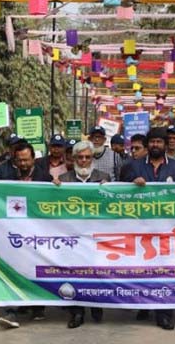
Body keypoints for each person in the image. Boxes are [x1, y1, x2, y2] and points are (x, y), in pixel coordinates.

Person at [123, 127, 175, 330]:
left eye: (159, 141)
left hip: (167, 228)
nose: (155, 145)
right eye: (152, 141)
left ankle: (164, 313)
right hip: (140, 227)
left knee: (165, 270)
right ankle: (144, 305)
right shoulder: (134, 166)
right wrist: (132, 183)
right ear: (147, 144)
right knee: (142, 269)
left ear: (166, 144)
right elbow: (120, 191)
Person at [0, 141, 51, 327]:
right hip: (13, 232)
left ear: (33, 159)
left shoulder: (44, 177)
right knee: (12, 269)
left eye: (26, 160)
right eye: (20, 160)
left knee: (36, 268)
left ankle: (37, 307)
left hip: (37, 233)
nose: (23, 164)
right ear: (15, 161)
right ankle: (10, 311)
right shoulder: (5, 176)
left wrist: (57, 187)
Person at [53, 140, 109, 328]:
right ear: (74, 158)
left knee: (97, 271)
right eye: (80, 157)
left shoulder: (104, 178)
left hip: (96, 235)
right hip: (73, 236)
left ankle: (97, 306)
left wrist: (110, 189)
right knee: (74, 272)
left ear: (92, 158)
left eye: (87, 157)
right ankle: (77, 312)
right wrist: (52, 190)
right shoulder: (64, 180)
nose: (84, 161)